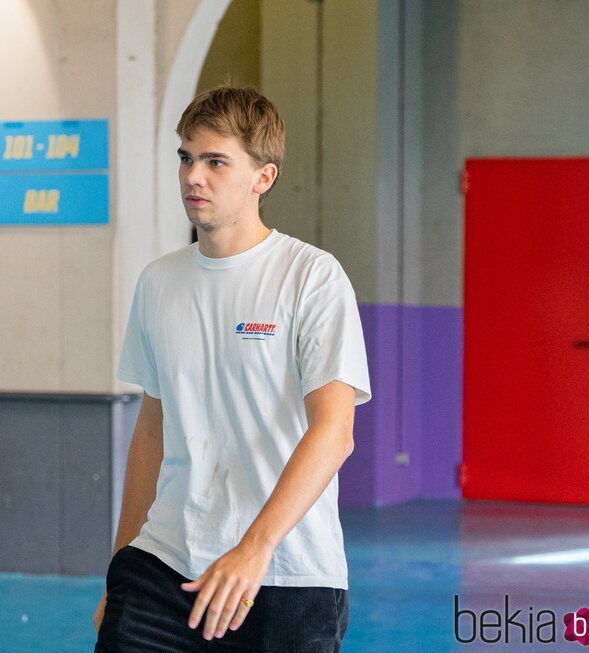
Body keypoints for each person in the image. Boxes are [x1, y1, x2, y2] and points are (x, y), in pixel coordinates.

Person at [93, 84, 372, 652]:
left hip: (287, 574)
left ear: (262, 178)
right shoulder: (158, 283)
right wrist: (119, 566)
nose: (194, 176)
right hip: (162, 565)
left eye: (216, 161)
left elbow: (334, 430)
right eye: (187, 158)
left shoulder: (311, 277)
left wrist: (254, 547)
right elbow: (152, 429)